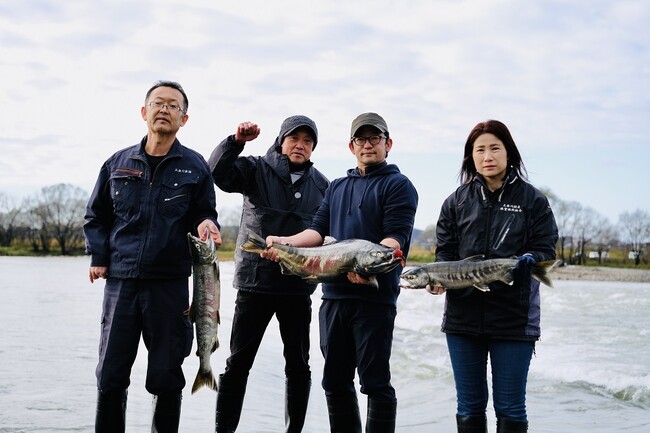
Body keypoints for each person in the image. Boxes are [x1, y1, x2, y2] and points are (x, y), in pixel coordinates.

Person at [261, 112, 418, 433]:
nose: (368, 145)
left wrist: (367, 263)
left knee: (375, 383)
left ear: (388, 144)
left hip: (375, 297)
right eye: (361, 139)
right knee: (333, 381)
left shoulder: (399, 185)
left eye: (375, 138)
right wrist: (285, 242)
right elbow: (317, 231)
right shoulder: (338, 186)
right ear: (351, 146)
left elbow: (395, 238)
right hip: (333, 296)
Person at [84, 80, 222, 433]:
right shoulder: (117, 163)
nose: (164, 109)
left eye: (173, 105)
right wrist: (99, 255)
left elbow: (204, 213)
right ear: (144, 112)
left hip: (170, 286)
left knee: (166, 376)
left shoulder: (195, 167)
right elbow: (96, 216)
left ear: (184, 119)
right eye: (158, 103)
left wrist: (207, 223)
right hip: (121, 283)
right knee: (111, 374)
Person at [432, 120, 558, 433]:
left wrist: (532, 260)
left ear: (509, 153)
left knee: (511, 407)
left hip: (514, 319)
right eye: (480, 150)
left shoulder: (533, 200)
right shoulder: (455, 202)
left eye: (494, 148)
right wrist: (438, 278)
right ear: (471, 157)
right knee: (469, 406)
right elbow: (444, 253)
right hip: (462, 319)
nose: (488, 156)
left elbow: (546, 249)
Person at [208, 116, 329, 433]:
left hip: (297, 288)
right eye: (294, 138)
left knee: (299, 366)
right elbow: (218, 173)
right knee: (238, 363)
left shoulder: (322, 185)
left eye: (307, 140)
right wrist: (235, 142)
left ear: (313, 147)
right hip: (255, 284)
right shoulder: (255, 168)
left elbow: (329, 234)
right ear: (281, 140)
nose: (300, 144)